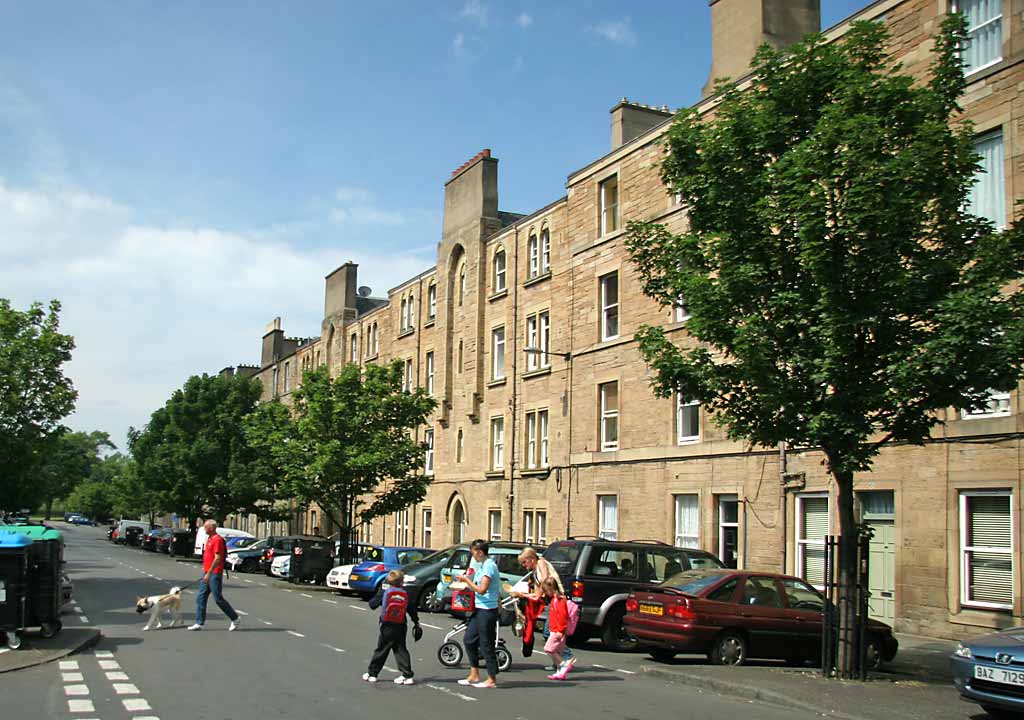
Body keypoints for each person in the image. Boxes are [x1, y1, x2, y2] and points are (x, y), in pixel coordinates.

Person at [512, 547, 575, 671]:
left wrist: (531, 594)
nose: (524, 566)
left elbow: (545, 581)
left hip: (558, 599)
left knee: (550, 632)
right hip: (551, 601)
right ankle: (558, 662)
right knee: (550, 632)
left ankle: (566, 655)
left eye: (525, 562)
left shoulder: (541, 563)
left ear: (531, 558)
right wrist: (522, 594)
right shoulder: (535, 572)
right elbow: (537, 593)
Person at [455, 539, 502, 688]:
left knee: (486, 643)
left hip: (487, 610)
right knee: (469, 639)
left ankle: (491, 678)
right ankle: (474, 674)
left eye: (473, 552)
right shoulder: (482, 566)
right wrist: (465, 585)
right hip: (479, 608)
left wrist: (466, 581)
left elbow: (482, 589)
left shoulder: (489, 566)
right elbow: (477, 588)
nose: (472, 556)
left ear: (480, 552)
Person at [363, 569, 421, 685]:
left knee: (382, 649)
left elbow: (372, 604)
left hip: (387, 625)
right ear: (402, 581)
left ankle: (372, 673)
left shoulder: (386, 592)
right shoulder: (406, 593)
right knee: (401, 649)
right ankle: (407, 675)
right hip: (401, 625)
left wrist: (380, 593)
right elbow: (411, 610)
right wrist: (416, 622)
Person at [188, 520, 240, 631]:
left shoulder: (217, 540)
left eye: (206, 527)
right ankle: (199, 622)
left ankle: (235, 618)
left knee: (218, 598)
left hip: (214, 573)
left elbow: (217, 558)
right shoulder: (210, 539)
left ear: (212, 528)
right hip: (207, 572)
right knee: (201, 597)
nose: (204, 528)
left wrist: (209, 573)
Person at [540, 577, 572, 680]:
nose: (545, 593)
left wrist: (560, 631)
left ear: (551, 588)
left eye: (546, 591)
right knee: (557, 651)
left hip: (558, 631)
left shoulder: (560, 600)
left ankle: (564, 664)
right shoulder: (554, 600)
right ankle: (560, 671)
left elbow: (563, 617)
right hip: (554, 630)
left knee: (548, 649)